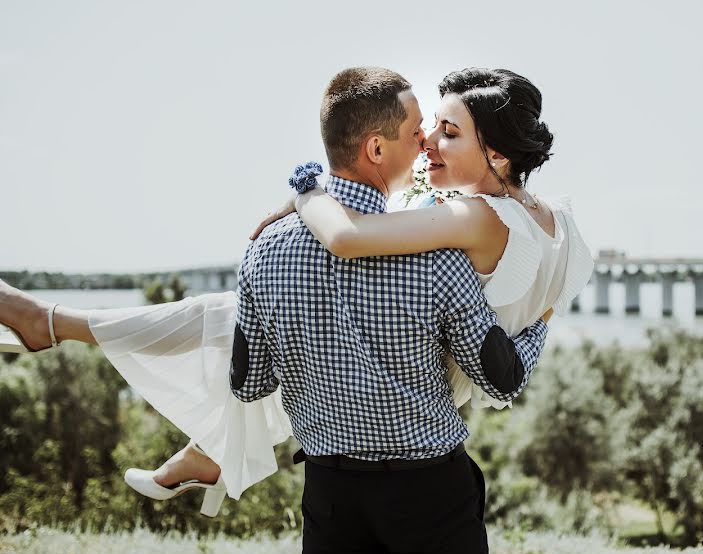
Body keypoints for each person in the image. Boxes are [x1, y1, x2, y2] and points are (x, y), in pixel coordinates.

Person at [0, 66, 593, 517]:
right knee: (268, 319)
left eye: (449, 132)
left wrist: (303, 193)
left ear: (496, 153)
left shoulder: (474, 218)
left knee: (238, 313)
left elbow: (345, 235)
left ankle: (55, 323)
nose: (430, 143)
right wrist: (538, 325)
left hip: (427, 371)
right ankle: (204, 447)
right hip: (440, 366)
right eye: (431, 128)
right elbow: (539, 308)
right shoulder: (556, 221)